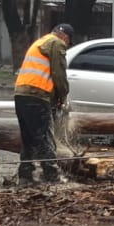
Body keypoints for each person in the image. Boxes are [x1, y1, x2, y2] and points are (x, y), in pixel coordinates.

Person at [14, 23, 73, 185]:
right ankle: (52, 174)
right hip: (37, 95)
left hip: (21, 94)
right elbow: (58, 74)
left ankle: (25, 175)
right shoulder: (57, 43)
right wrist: (63, 96)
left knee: (28, 137)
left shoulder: (40, 42)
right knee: (45, 136)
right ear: (66, 37)